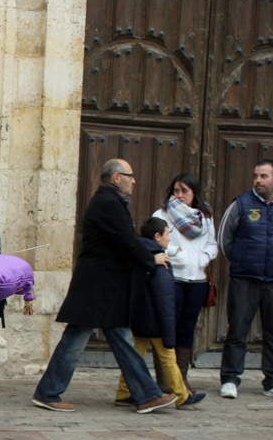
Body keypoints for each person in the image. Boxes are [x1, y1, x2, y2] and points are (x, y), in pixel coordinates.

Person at [31, 158, 178, 414]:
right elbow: (126, 241)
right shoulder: (108, 203)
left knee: (119, 338)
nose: (134, 180)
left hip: (105, 286)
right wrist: (150, 258)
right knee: (77, 339)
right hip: (97, 286)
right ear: (116, 178)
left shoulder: (110, 202)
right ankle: (48, 392)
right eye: (129, 175)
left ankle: (146, 394)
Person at [114, 217, 206, 408]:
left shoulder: (140, 257)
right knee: (167, 356)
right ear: (157, 236)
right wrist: (168, 329)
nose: (170, 238)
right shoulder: (159, 262)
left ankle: (123, 393)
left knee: (134, 357)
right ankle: (181, 396)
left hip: (139, 317)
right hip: (154, 320)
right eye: (167, 233)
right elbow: (164, 300)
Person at [152, 173, 217, 391]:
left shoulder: (205, 216)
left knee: (187, 328)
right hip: (173, 277)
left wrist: (204, 258)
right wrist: (178, 253)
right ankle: (164, 379)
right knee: (168, 327)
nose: (179, 196)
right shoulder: (162, 214)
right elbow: (155, 241)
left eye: (184, 191)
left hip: (197, 279)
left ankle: (181, 378)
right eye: (176, 190)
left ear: (194, 194)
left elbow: (212, 244)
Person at [217, 159, 273, 399]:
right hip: (244, 279)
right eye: (255, 176)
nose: (258, 181)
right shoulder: (241, 204)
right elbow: (224, 238)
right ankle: (230, 379)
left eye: (263, 176)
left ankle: (270, 381)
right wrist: (240, 261)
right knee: (238, 329)